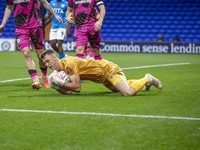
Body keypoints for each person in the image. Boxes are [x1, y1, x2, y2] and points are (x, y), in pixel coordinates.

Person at [40, 49, 163, 96]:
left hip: (108, 70)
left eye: (48, 61)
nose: (47, 65)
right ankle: (143, 83)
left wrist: (60, 83)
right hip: (102, 79)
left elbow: (77, 88)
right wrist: (56, 86)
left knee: (128, 92)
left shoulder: (69, 64)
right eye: (45, 63)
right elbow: (69, 92)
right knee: (120, 88)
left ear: (55, 58)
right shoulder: (58, 71)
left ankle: (148, 78)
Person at [0, 0, 63, 89]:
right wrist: (2, 25)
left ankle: (44, 77)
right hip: (20, 28)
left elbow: (44, 2)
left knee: (40, 55)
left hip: (35, 26)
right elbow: (9, 7)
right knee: (26, 53)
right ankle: (36, 81)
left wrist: (55, 15)